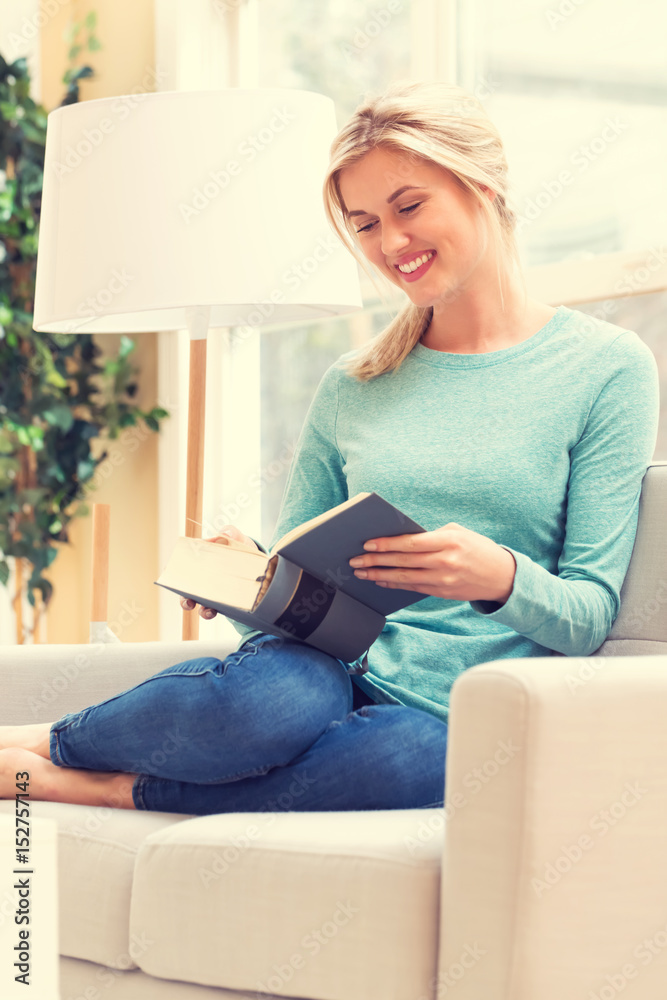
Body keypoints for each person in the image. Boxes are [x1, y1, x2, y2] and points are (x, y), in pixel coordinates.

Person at [0, 80, 659, 814]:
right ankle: (52, 741)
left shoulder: (607, 368)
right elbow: (300, 592)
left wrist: (496, 575)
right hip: (319, 670)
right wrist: (243, 575)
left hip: (446, 713)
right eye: (365, 224)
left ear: (482, 184)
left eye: (408, 207)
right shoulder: (355, 382)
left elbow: (588, 615)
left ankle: (84, 784)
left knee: (402, 764)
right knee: (269, 703)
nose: (391, 244)